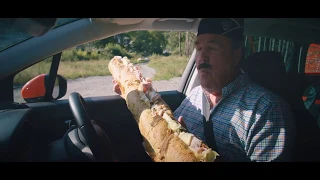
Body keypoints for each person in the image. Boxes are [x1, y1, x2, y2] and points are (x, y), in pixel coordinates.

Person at [112, 18, 296, 162]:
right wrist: (138, 97)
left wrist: (196, 152)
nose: (202, 56)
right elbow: (168, 134)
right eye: (199, 48)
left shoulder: (266, 110)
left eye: (212, 47)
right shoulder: (194, 95)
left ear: (236, 55)